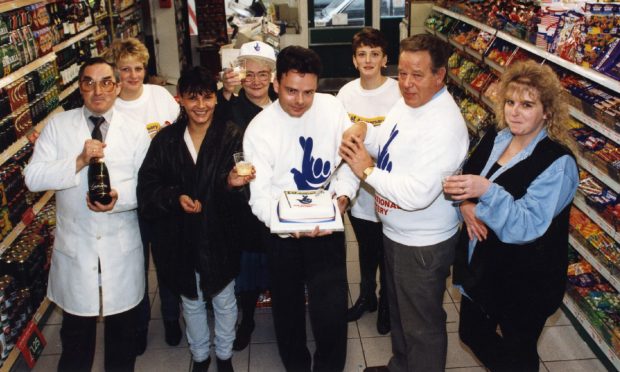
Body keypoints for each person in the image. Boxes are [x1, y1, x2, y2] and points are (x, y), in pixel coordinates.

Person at [339, 34, 469, 372]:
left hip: (422, 245)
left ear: (440, 76)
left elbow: (416, 194)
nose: (407, 84)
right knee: (400, 314)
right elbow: (390, 137)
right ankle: (401, 366)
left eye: (418, 75)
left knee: (422, 326)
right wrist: (365, 130)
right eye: (404, 73)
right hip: (397, 233)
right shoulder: (409, 101)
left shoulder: (444, 125)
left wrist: (365, 168)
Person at [443, 60, 578, 371]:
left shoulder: (558, 163)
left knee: (519, 350)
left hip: (528, 278)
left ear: (547, 111)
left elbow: (527, 225)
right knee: (472, 332)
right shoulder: (497, 135)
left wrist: (487, 191)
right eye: (510, 102)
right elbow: (469, 176)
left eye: (527, 104)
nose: (515, 111)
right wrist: (464, 205)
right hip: (487, 266)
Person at [24, 57, 151, 371]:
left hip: (120, 247)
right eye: (89, 82)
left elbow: (149, 187)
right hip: (76, 249)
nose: (98, 91)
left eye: (106, 82)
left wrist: (118, 200)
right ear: (79, 87)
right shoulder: (58, 126)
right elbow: (33, 178)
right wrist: (78, 161)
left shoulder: (135, 131)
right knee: (76, 342)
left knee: (122, 342)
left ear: (118, 86)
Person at [243, 45, 358, 372]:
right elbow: (259, 195)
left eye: (308, 92)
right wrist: (285, 225)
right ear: (276, 84)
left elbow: (349, 161)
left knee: (332, 310)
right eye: (291, 90)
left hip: (327, 228)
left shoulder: (333, 109)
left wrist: (344, 198)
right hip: (283, 235)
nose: (300, 100)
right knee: (288, 308)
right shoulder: (260, 129)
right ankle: (296, 365)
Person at [137, 66, 251, 372]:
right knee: (192, 300)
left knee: (225, 300)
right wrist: (175, 198)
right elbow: (147, 186)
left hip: (219, 232)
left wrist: (230, 183)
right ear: (181, 101)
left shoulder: (231, 135)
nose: (200, 105)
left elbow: (243, 187)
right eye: (192, 98)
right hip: (180, 235)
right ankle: (200, 356)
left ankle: (224, 355)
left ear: (215, 98)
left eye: (207, 97)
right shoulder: (165, 140)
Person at [106, 37, 182, 354]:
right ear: (115, 72)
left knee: (167, 263)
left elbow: (181, 130)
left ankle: (171, 320)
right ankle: (137, 327)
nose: (133, 75)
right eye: (125, 69)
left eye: (138, 68)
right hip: (127, 201)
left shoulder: (160, 96)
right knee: (134, 268)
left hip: (162, 196)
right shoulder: (109, 106)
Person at [336, 27, 400, 334]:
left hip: (389, 187)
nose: (368, 60)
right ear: (354, 59)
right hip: (358, 190)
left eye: (375, 54)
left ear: (385, 58)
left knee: (389, 251)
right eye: (362, 54)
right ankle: (366, 297)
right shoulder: (346, 94)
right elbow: (340, 138)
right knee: (365, 248)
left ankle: (387, 302)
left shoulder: (399, 92)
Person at [218, 40, 277, 351]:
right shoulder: (231, 108)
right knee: (249, 265)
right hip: (244, 202)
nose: (256, 81)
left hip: (280, 198)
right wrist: (225, 92)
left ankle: (283, 314)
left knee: (280, 262)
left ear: (272, 76)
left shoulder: (284, 104)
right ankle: (248, 319)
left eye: (262, 74)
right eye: (249, 74)